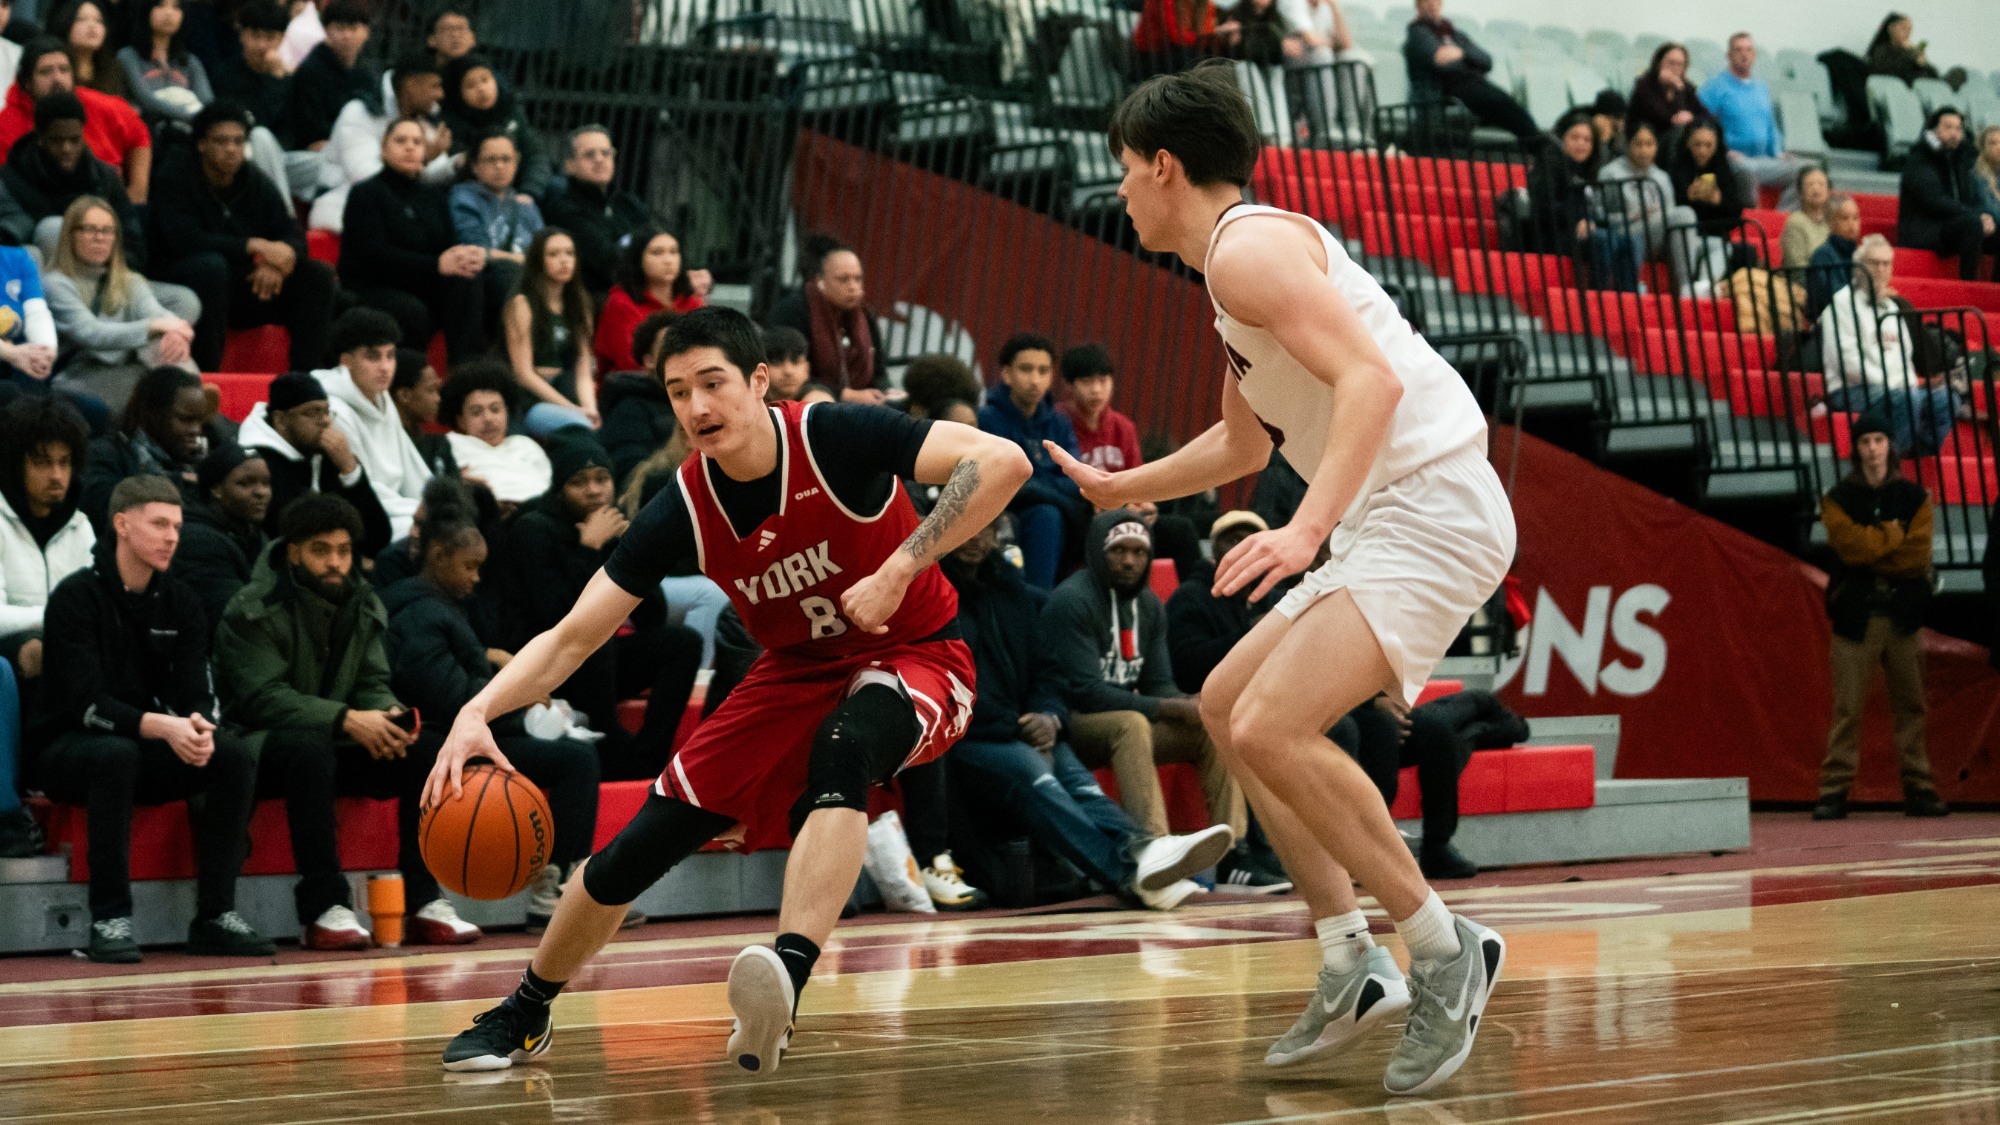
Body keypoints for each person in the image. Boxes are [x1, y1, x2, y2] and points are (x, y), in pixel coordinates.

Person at [1047, 60, 1513, 1093]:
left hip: (1428, 502)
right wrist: (1115, 485)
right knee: (1223, 703)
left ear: (1164, 167)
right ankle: (1349, 959)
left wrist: (1304, 530)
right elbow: (1237, 441)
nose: (1117, 189)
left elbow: (1372, 382)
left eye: (1124, 169)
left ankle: (1442, 948)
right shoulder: (1235, 266)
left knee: (1270, 725)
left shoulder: (1245, 254)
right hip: (1390, 509)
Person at [424, 305, 1032, 1076]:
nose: (697, 407)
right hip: (793, 672)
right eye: (678, 391)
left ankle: (784, 981)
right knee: (633, 850)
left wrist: (902, 565)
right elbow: (573, 636)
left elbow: (1003, 462)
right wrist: (476, 709)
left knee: (843, 752)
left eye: (713, 383)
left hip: (916, 653)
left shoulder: (836, 436)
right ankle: (524, 1009)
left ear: (759, 381)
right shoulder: (682, 506)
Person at [214, 491, 484, 949]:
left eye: (343, 551)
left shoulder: (361, 602)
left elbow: (372, 680)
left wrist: (385, 714)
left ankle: (422, 901)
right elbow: (262, 699)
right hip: (259, 748)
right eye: (321, 551)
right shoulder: (250, 608)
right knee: (307, 747)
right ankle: (323, 908)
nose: (335, 563)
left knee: (425, 748)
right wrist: (347, 719)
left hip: (338, 738)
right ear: (293, 551)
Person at [29, 474, 271, 963]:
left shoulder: (180, 601)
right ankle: (109, 918)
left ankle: (215, 915)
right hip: (68, 749)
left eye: (177, 526)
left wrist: (201, 725)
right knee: (115, 755)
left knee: (231, 754)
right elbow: (85, 703)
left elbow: (197, 686)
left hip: (144, 746)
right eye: (159, 524)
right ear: (122, 524)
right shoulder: (76, 598)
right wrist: (166, 727)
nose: (171, 537)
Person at [944, 515, 1231, 910]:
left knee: (1083, 789)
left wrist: (1048, 714)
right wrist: (1018, 723)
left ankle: (1161, 856)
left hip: (1033, 726)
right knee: (1039, 779)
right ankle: (1134, 872)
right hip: (967, 736)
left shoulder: (1015, 593)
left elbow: (1047, 672)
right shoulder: (932, 593)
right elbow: (944, 684)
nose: (975, 535)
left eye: (986, 527)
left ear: (997, 534)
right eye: (966, 525)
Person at [381, 514, 627, 933]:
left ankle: (559, 884)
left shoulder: (447, 606)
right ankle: (541, 892)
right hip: (442, 740)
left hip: (468, 734)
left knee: (577, 757)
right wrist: (518, 696)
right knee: (576, 760)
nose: (476, 578)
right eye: (469, 566)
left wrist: (496, 664)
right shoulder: (418, 613)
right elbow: (448, 696)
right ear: (438, 557)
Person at [1043, 508, 1252, 864]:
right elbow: (1087, 693)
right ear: (1097, 551)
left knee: (1208, 726)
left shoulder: (1149, 605)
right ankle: (1152, 845)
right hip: (1070, 723)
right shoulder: (1071, 600)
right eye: (1118, 551)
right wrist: (1169, 707)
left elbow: (1158, 683)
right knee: (1131, 723)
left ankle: (1234, 853)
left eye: (1139, 552)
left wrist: (1191, 702)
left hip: (1125, 721)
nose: (1129, 561)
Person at [495, 432, 700, 780]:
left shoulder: (612, 525)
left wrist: (633, 550)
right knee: (596, 636)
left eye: (601, 479)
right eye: (580, 482)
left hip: (595, 666)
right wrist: (588, 550)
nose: (593, 490)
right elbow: (559, 619)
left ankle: (648, 759)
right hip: (544, 664)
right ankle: (611, 750)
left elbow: (653, 616)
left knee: (682, 644)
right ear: (560, 488)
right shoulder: (533, 529)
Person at [1813, 411, 1945, 820]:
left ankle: (1919, 788)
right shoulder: (1837, 499)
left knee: (1912, 704)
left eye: (1879, 440)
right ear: (1855, 448)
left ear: (1891, 446)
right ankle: (1833, 791)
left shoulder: (1916, 498)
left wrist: (1876, 549)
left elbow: (1916, 556)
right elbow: (1851, 549)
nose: (1872, 448)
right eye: (1865, 441)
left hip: (1903, 613)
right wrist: (1892, 534)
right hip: (1855, 613)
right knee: (1848, 707)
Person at [150, 101, 337, 373]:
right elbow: (184, 239)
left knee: (317, 275)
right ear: (201, 144)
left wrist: (277, 263)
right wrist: (254, 246)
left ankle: (306, 378)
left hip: (246, 285)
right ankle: (208, 377)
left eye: (238, 142)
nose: (231, 150)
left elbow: (292, 233)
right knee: (212, 266)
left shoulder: (252, 178)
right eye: (221, 141)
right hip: (188, 279)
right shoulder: (176, 173)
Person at [0, 394, 92, 854]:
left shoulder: (81, 525)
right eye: (41, 462)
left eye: (65, 462)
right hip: (10, 653)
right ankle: (13, 800)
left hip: (61, 648)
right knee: (31, 652)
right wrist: (60, 618)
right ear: (16, 463)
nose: (57, 475)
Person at [1332, 688, 1524, 879]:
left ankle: (1437, 846)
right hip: (1335, 708)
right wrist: (1373, 702)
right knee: (1381, 726)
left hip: (1364, 702)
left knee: (1435, 730)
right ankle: (1373, 840)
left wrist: (1380, 700)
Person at [339, 118, 487, 364]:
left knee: (468, 279)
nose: (410, 147)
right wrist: (436, 265)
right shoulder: (366, 193)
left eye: (417, 142)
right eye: (400, 140)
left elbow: (448, 248)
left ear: (424, 151)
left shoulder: (434, 195)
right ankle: (411, 380)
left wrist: (464, 258)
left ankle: (468, 373)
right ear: (384, 149)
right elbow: (372, 256)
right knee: (412, 311)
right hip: (374, 287)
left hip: (424, 284)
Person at [1818, 234, 1956, 456]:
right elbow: (1848, 364)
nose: (1881, 269)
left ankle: (1912, 453)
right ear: (1859, 266)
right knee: (1907, 398)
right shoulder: (1841, 304)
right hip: (1852, 389)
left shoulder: (1892, 307)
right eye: (1874, 263)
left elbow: (1904, 358)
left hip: (1893, 390)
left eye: (1886, 264)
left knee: (1946, 400)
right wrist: (1897, 388)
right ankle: (1891, 461)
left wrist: (1909, 385)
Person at [237, 370, 392, 556]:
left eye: (327, 412)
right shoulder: (257, 463)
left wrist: (350, 471)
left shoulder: (322, 453)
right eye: (313, 412)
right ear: (281, 420)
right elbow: (292, 536)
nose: (326, 421)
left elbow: (379, 537)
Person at [315, 308, 432, 539]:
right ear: (346, 361)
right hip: (364, 517)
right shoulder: (334, 410)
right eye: (373, 356)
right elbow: (363, 491)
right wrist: (418, 511)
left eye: (390, 355)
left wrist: (438, 505)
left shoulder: (381, 397)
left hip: (399, 510)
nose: (385, 367)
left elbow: (412, 469)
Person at [978, 333, 1083, 589]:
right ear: (1006, 374)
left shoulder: (1059, 422)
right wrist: (1053, 490)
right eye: (1026, 369)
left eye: (1043, 371)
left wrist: (1038, 485)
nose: (1035, 380)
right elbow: (1004, 482)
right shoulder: (988, 418)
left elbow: (1076, 477)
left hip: (1056, 511)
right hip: (1004, 511)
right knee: (1047, 515)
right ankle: (1039, 601)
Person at [313, 54, 457, 232]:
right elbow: (365, 177)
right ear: (411, 85)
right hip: (341, 210)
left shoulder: (423, 120)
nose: (440, 94)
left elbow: (431, 174)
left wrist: (457, 165)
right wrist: (423, 159)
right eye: (434, 86)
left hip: (396, 212)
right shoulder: (359, 112)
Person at [0, 38, 153, 202]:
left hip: (108, 208)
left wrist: (137, 191)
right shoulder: (6, 124)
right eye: (45, 72)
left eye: (64, 70)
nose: (57, 79)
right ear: (27, 83)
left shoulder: (101, 106)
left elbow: (139, 135)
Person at [79, 365, 204, 530]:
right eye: (185, 420)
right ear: (153, 413)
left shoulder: (202, 461)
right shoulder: (105, 454)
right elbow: (105, 510)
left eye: (199, 421)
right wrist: (177, 481)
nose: (196, 430)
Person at [536, 124, 652, 300]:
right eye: (589, 154)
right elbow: (606, 260)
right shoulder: (563, 206)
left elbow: (657, 242)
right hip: (592, 298)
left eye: (605, 153)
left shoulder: (627, 203)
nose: (599, 159)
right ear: (570, 166)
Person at [765, 236, 887, 402]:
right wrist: (845, 395)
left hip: (866, 403)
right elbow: (790, 374)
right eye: (843, 279)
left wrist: (884, 392)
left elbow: (879, 371)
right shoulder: (793, 311)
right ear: (820, 281)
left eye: (858, 279)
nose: (853, 287)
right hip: (809, 398)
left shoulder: (865, 316)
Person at [503, 226, 596, 435]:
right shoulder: (521, 303)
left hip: (565, 389)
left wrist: (590, 408)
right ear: (538, 261)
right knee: (580, 427)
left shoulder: (582, 303)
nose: (564, 260)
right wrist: (574, 410)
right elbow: (523, 373)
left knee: (595, 425)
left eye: (569, 253)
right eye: (553, 254)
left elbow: (583, 366)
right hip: (530, 397)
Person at [1530, 109, 1635, 292]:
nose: (1581, 144)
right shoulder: (1550, 163)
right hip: (1554, 234)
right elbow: (1545, 207)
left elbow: (1595, 209)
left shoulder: (1590, 170)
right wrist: (1579, 219)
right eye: (1575, 137)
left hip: (1583, 230)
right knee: (1602, 240)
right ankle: (1597, 296)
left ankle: (1627, 297)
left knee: (1628, 240)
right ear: (1563, 139)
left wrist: (1592, 221)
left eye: (1587, 140)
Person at [170, 440, 268, 637]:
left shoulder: (252, 532)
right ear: (216, 489)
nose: (261, 492)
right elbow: (231, 619)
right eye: (245, 483)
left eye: (266, 483)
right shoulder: (197, 541)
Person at [1402, 0, 1536, 142]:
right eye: (1427, 2)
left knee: (1507, 105)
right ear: (1418, 6)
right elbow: (1441, 61)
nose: (1433, 5)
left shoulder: (1452, 32)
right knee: (1501, 105)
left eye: (1437, 1)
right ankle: (1537, 144)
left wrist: (1460, 53)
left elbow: (1486, 61)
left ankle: (1536, 142)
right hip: (1447, 92)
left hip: (1471, 87)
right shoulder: (1418, 34)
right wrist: (1467, 59)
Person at [1698, 34, 1804, 209]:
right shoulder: (1715, 86)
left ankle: (1781, 220)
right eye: (1738, 50)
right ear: (1729, 55)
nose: (1744, 55)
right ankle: (1753, 222)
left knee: (1805, 170)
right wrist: (1721, 151)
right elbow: (1701, 125)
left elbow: (1770, 125)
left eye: (1749, 50)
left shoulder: (1761, 88)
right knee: (1746, 170)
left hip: (1764, 160)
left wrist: (1779, 153)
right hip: (1733, 160)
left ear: (1754, 55)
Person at [1897, 107, 1998, 283]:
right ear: (1933, 130)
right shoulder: (1920, 158)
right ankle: (1968, 285)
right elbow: (1933, 200)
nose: (1954, 133)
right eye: (1948, 127)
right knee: (1972, 223)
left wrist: (1984, 216)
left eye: (1958, 128)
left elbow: (1969, 197)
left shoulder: (1961, 157)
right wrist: (1974, 215)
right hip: (1926, 229)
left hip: (1953, 225)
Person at [450, 130, 541, 325]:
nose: (499, 166)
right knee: (508, 275)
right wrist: (523, 260)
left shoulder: (525, 204)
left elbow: (544, 247)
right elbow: (477, 251)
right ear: (475, 166)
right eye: (491, 160)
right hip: (493, 282)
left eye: (506, 159)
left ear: (516, 163)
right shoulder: (463, 198)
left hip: (529, 276)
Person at [592, 226, 703, 377]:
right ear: (638, 259)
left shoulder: (692, 303)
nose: (668, 260)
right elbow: (629, 362)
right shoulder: (621, 302)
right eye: (657, 252)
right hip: (633, 387)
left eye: (674, 252)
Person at [440, 359, 551, 507]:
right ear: (461, 421)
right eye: (476, 412)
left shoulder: (526, 445)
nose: (488, 419)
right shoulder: (451, 445)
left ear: (507, 412)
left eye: (495, 409)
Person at [1598, 119, 1693, 288]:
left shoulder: (1661, 177)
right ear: (1627, 144)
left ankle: (1702, 287)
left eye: (1649, 144)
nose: (1644, 150)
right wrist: (1631, 216)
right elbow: (1599, 216)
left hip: (1658, 235)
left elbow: (1670, 216)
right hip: (1629, 233)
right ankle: (1687, 286)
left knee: (1716, 245)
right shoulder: (1611, 173)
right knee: (1684, 214)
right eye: (1638, 144)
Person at [440, 54, 549, 199]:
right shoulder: (450, 124)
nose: (482, 89)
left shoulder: (510, 109)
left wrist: (528, 192)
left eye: (486, 79)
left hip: (520, 190)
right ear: (458, 93)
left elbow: (536, 155)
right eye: (471, 85)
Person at [279, 0, 372, 152]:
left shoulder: (366, 73)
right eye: (340, 29)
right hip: (307, 154)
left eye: (353, 29)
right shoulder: (311, 71)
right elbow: (312, 139)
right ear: (326, 32)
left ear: (366, 33)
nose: (347, 36)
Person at [601, 309, 677, 486]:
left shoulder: (704, 402)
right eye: (670, 346)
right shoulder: (629, 408)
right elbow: (632, 475)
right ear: (649, 361)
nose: (681, 353)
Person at [1276, 0, 1369, 143]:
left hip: (1317, 62)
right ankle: (1325, 128)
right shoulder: (1291, 2)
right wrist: (1332, 43)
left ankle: (1352, 129)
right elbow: (1312, 40)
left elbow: (1346, 44)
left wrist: (1335, 7)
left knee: (1352, 58)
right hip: (1292, 68)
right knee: (1322, 55)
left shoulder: (1326, 7)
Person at [115, 0, 211, 130]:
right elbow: (146, 101)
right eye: (160, 5)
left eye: (176, 7)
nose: (169, 13)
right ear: (146, 10)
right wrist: (196, 117)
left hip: (190, 131)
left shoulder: (190, 61)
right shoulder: (128, 56)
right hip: (148, 129)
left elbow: (208, 102)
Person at [209, 1, 288, 138]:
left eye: (270, 37)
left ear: (281, 39)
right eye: (255, 36)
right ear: (242, 35)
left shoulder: (290, 77)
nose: (262, 45)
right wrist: (275, 81)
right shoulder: (226, 75)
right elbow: (258, 123)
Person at [1060, 344, 1143, 474]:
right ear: (1069, 385)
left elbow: (1136, 478)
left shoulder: (1123, 427)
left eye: (1103, 381)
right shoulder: (1057, 424)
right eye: (1086, 381)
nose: (1096, 390)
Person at [0, 243, 60, 408]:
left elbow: (36, 312)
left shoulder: (19, 258)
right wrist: (9, 353)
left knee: (94, 412)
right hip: (10, 354)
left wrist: (46, 349)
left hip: (18, 353)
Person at [1668, 121, 1745, 237]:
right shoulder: (1676, 168)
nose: (1702, 151)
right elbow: (1668, 213)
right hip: (1686, 236)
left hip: (1717, 236)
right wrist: (1687, 198)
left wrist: (1719, 201)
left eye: (1708, 145)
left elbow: (1736, 216)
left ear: (1716, 145)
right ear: (1688, 143)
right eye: (1697, 144)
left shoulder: (1723, 168)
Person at [390, 347, 454, 480]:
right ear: (404, 395)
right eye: (431, 390)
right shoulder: (385, 445)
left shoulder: (436, 445)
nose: (438, 399)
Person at [1627, 42, 1706, 140]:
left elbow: (1704, 115)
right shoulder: (1644, 85)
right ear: (1659, 63)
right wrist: (1677, 87)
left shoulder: (1686, 88)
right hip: (1648, 141)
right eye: (1671, 63)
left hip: (1676, 143)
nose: (1675, 68)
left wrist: (1692, 117)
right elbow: (1664, 119)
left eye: (1680, 64)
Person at [49, 1, 125, 100]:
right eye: (82, 19)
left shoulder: (114, 70)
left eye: (99, 20)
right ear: (66, 24)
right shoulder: (55, 68)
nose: (92, 25)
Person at [1806, 193, 1862, 323]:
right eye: (1844, 218)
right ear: (1831, 223)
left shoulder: (1860, 255)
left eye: (1855, 218)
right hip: (1831, 322)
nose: (1852, 224)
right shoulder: (1822, 255)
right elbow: (1831, 297)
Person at [1782, 166, 1834, 269]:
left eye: (1821, 184)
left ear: (1829, 191)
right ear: (1800, 192)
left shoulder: (1833, 221)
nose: (1816, 188)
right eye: (1810, 184)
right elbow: (1797, 268)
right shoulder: (1795, 222)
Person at [1866, 11, 1937, 84]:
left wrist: (1923, 64)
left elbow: (1935, 77)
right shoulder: (1881, 50)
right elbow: (1891, 72)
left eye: (1909, 29)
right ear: (1891, 28)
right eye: (1903, 28)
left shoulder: (1913, 52)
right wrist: (1909, 53)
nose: (1907, 32)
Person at [760, 325, 809, 403]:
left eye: (795, 361)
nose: (788, 371)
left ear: (807, 368)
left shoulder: (817, 399)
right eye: (776, 362)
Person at [1972, 125, 2000, 228]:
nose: (1999, 147)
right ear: (1983, 147)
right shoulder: (1978, 175)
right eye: (1993, 143)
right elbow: (1993, 211)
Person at [1588, 90, 1627, 162]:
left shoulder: (1620, 133)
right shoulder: (1586, 135)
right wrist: (1603, 141)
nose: (1621, 122)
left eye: (1622, 117)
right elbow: (1603, 169)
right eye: (1618, 117)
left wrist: (1619, 136)